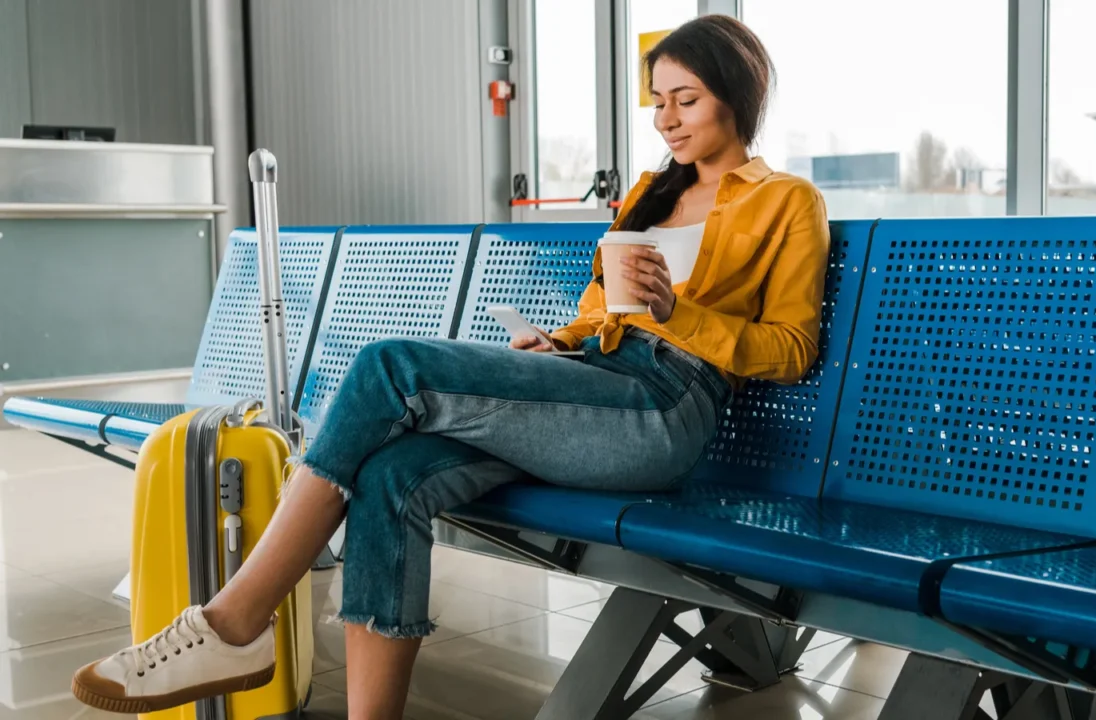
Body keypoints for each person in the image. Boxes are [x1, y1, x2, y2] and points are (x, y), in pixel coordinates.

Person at [71, 13, 829, 719]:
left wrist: (679, 316)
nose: (666, 118)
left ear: (736, 95)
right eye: (657, 101)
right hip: (597, 387)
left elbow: (791, 352)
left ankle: (234, 620)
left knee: (388, 368)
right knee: (392, 474)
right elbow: (602, 316)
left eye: (685, 100)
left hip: (664, 410)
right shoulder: (648, 194)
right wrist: (557, 342)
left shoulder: (787, 201)